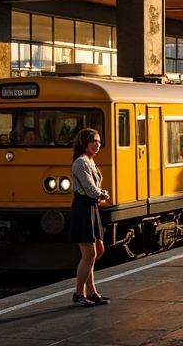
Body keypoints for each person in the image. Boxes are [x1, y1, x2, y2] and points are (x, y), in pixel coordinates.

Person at [70, 128, 110, 306]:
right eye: (94, 141)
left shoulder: (90, 161)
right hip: (83, 207)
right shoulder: (80, 163)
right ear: (84, 142)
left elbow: (94, 188)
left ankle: (91, 291)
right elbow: (89, 189)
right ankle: (79, 294)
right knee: (90, 254)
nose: (98, 145)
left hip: (91, 207)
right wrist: (102, 194)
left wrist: (100, 194)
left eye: (99, 142)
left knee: (98, 251)